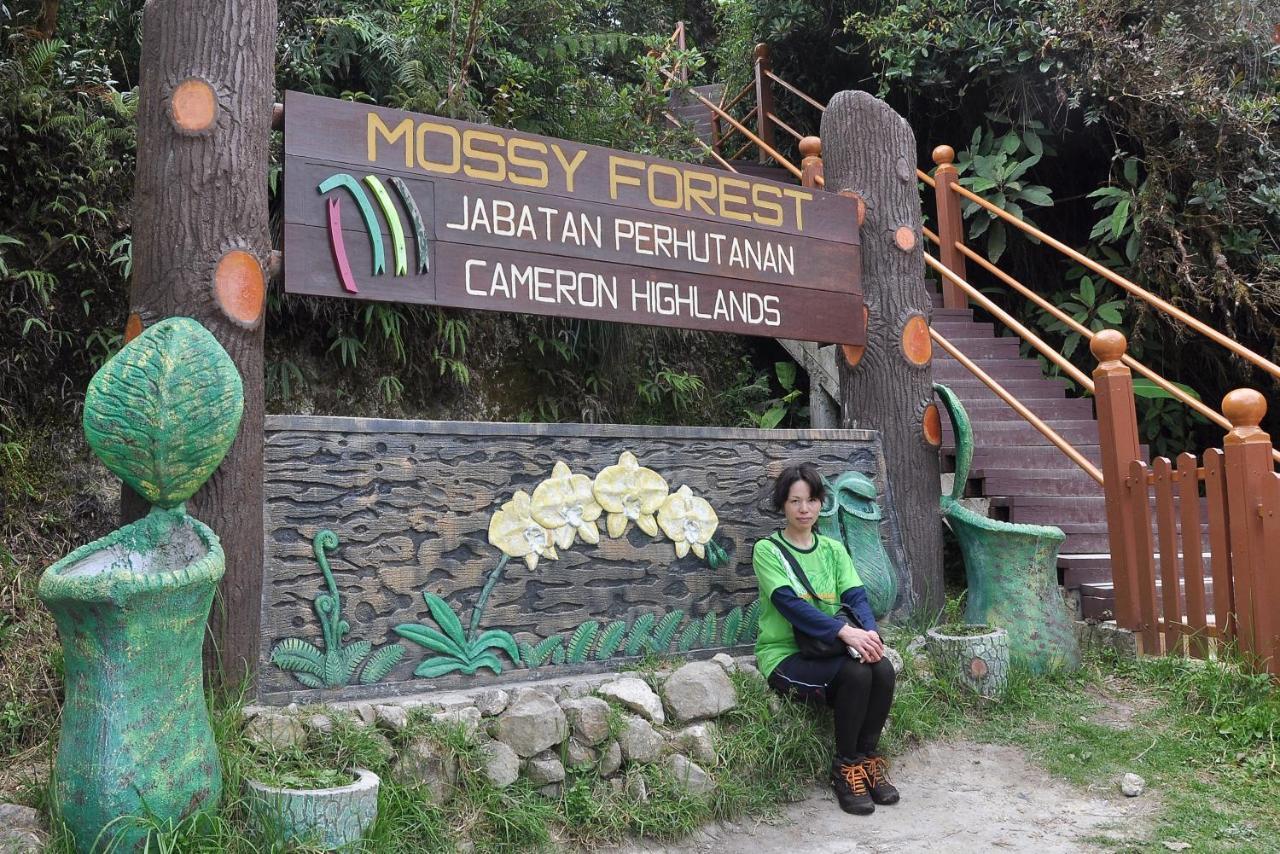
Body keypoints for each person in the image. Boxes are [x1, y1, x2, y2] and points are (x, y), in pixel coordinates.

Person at [753, 462, 899, 815]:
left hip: (831, 647)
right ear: (783, 506)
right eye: (795, 502)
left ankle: (867, 761)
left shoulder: (833, 549)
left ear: (821, 503)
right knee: (855, 673)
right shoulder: (768, 550)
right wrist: (845, 632)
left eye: (812, 500)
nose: (804, 509)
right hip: (787, 655)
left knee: (881, 669)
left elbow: (856, 597)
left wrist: (870, 636)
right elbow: (790, 606)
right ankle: (845, 768)